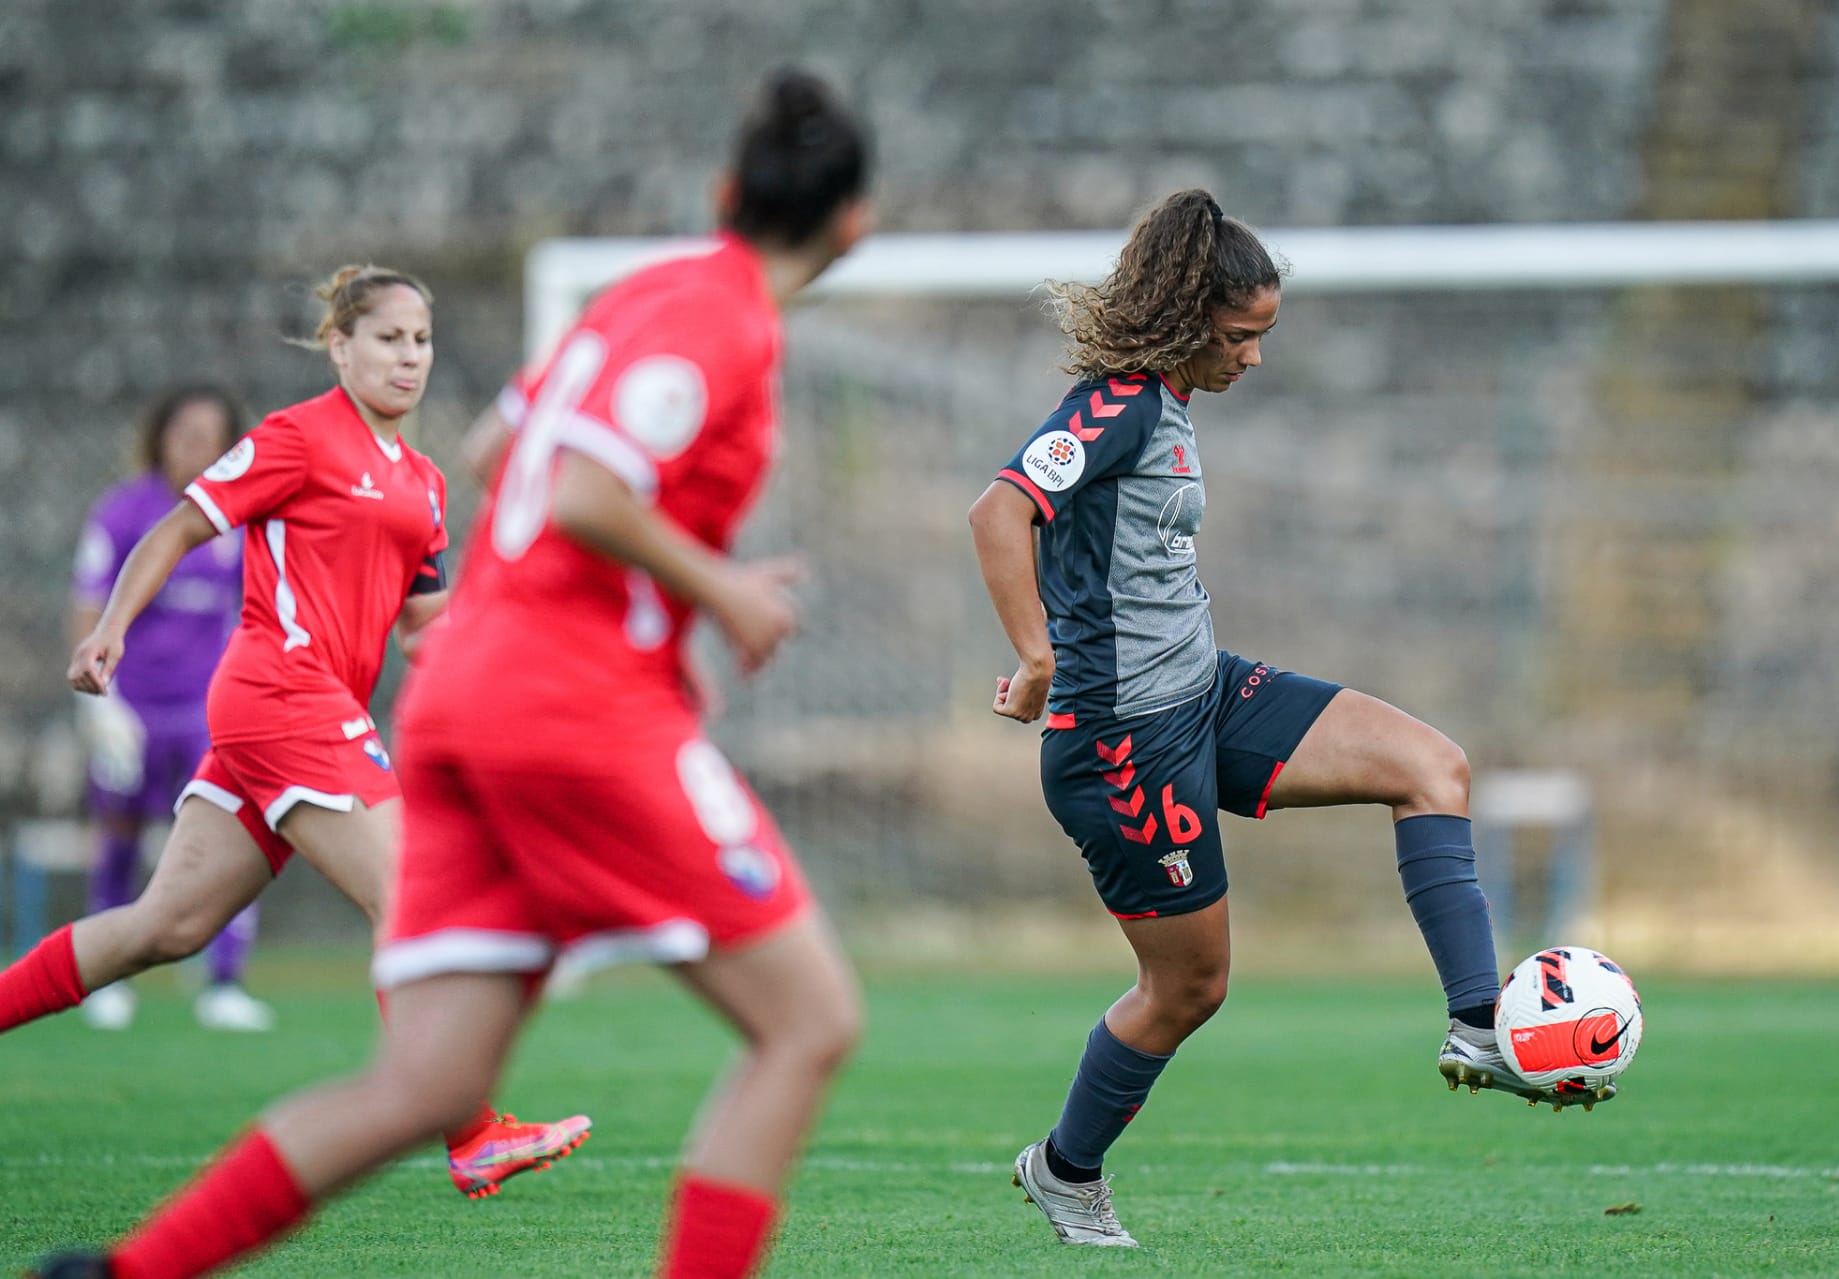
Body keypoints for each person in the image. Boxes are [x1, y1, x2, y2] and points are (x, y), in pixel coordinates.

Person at [31, 68, 872, 1279]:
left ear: (724, 190)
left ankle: (123, 1271)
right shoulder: (726, 320)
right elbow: (583, 490)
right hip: (565, 706)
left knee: (426, 1078)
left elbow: (496, 449)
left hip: (461, 694)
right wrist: (716, 589)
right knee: (809, 1020)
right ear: (853, 223)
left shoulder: (643, 295)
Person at [968, 189, 1616, 1249]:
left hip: (1203, 691)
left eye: (1263, 335)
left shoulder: (1166, 402)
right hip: (1120, 740)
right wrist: (1036, 656)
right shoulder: (1117, 403)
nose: (1253, 359)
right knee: (1189, 988)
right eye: (1239, 337)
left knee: (1431, 766)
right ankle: (1062, 1167)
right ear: (1184, 318)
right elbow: (998, 509)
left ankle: (1474, 1025)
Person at [0, 265, 589, 1200]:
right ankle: (471, 1131)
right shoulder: (297, 436)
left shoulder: (428, 485)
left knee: (167, 925)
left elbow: (426, 625)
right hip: (285, 693)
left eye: (422, 340)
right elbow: (177, 528)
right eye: (389, 338)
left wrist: (525, 607)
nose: (409, 357)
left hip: (302, 712)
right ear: (341, 347)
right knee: (411, 899)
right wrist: (107, 630)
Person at [69, 385, 275, 1033]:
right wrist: (98, 704)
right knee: (121, 834)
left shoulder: (238, 520)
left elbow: (257, 612)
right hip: (133, 710)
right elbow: (88, 600)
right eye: (185, 431)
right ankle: (108, 979)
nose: (197, 446)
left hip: (208, 712)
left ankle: (225, 981)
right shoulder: (125, 512)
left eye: (212, 434)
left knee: (230, 841)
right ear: (160, 436)